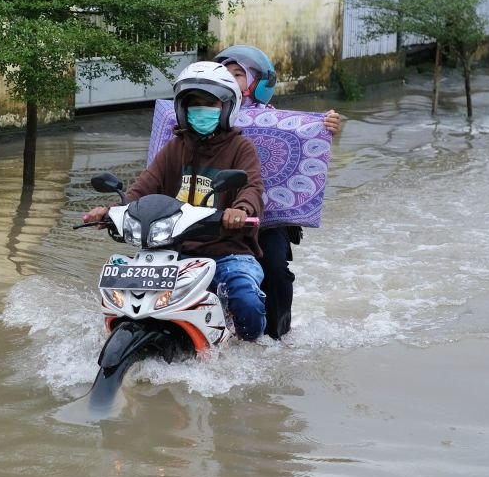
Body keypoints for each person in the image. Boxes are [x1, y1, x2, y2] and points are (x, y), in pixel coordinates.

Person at [83, 61, 269, 341]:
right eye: (193, 103)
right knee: (125, 297)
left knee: (246, 301)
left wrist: (240, 210)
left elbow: (252, 187)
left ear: (228, 107)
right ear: (182, 109)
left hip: (228, 251)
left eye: (210, 103)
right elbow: (143, 188)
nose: (200, 110)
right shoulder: (175, 148)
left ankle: (250, 349)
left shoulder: (241, 148)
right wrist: (112, 212)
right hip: (174, 252)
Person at [212, 44, 342, 340]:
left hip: (270, 217)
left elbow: (311, 139)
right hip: (216, 215)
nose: (231, 80)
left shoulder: (280, 122)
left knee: (274, 269)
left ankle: (277, 336)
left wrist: (327, 126)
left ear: (257, 83)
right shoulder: (202, 117)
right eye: (225, 74)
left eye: (238, 74)